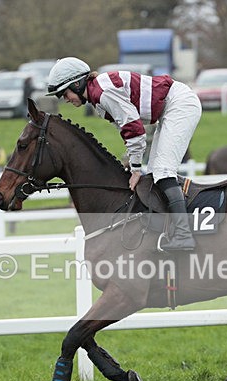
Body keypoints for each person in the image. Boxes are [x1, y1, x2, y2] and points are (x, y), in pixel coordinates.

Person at [46, 57, 201, 251]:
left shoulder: (103, 93)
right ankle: (169, 229)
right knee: (155, 173)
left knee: (162, 171)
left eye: (64, 93)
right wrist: (131, 160)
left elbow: (135, 131)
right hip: (169, 108)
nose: (65, 99)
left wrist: (135, 169)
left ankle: (184, 235)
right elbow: (128, 132)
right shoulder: (98, 98)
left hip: (179, 104)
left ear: (77, 84)